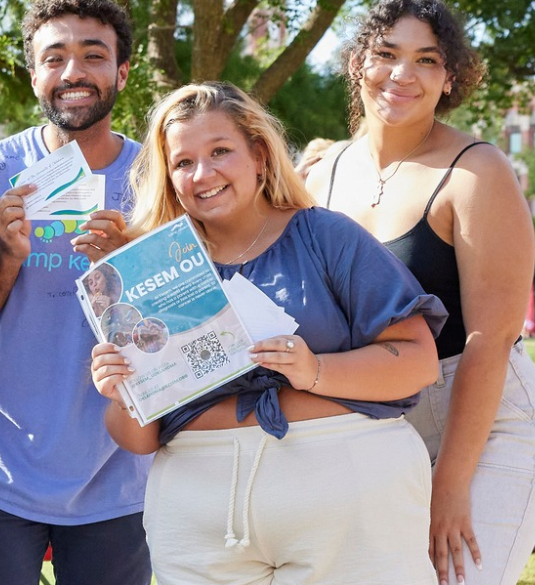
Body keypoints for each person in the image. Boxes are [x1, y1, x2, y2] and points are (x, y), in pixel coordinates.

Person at [88, 82, 445, 584]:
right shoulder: (149, 274)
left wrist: (315, 369)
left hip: (347, 494)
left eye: (219, 152)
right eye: (183, 163)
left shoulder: (325, 234)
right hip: (196, 511)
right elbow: (138, 441)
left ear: (259, 154)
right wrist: (124, 392)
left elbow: (418, 361)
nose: (202, 174)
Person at [307, 0, 535, 584]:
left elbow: (490, 340)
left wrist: (451, 483)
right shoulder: (319, 174)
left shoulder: (476, 171)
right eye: (386, 54)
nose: (402, 75)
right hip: (374, 422)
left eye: (426, 60)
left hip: (482, 419)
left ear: (449, 78)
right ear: (356, 64)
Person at [0, 0, 147, 583]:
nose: (73, 73)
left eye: (93, 54)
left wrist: (128, 264)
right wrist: (8, 255)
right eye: (54, 57)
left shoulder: (159, 175)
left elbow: (183, 329)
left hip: (119, 473)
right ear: (35, 75)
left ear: (122, 71)